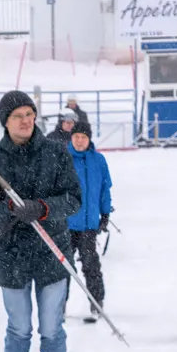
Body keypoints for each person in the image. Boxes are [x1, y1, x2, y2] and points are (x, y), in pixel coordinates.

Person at [0, 90, 79, 352]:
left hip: (52, 254)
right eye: (18, 115)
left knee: (52, 328)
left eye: (29, 113)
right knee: (19, 328)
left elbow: (74, 200)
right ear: (5, 122)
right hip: (11, 258)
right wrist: (10, 209)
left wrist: (43, 208)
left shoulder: (56, 153)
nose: (26, 120)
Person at [64, 124, 113, 324]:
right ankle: (58, 306)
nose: (79, 140)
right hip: (66, 223)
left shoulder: (98, 160)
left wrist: (105, 213)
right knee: (63, 268)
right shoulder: (63, 159)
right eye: (76, 136)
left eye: (83, 137)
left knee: (91, 265)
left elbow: (104, 189)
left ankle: (96, 302)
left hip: (89, 225)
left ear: (89, 139)